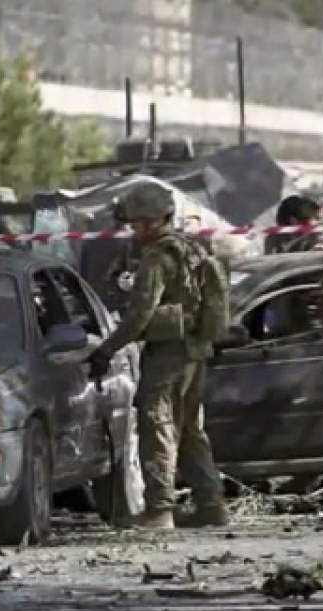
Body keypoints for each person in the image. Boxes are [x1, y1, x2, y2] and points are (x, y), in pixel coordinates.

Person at [86, 182, 228, 530]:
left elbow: (139, 315)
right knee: (191, 430)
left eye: (135, 224)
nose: (132, 231)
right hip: (195, 350)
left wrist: (107, 349)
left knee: (157, 422)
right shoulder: (191, 248)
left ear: (149, 221)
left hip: (169, 353)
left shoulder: (157, 256)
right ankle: (212, 505)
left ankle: (160, 509)